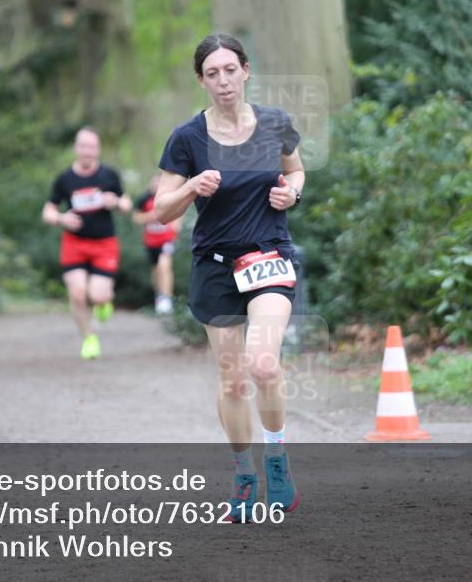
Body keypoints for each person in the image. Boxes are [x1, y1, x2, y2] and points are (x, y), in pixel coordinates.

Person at [154, 34, 305, 521]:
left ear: (246, 70)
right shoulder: (186, 139)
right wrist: (193, 187)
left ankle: (277, 460)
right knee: (234, 381)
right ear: (201, 80)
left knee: (262, 364)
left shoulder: (276, 124)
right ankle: (244, 474)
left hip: (268, 257)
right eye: (212, 73)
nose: (223, 81)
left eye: (230, 69)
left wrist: (292, 194)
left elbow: (295, 172)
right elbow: (160, 211)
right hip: (215, 264)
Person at [42, 127, 132, 360]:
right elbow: (48, 211)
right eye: (83, 146)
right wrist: (61, 218)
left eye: (92, 147)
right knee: (78, 294)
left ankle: (103, 303)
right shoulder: (65, 179)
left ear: (98, 149)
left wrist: (116, 202)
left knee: (98, 296)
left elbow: (127, 204)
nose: (87, 151)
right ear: (76, 148)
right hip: (74, 243)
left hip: (104, 243)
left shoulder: (109, 175)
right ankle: (89, 338)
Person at [132, 173, 182, 315]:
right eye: (154, 183)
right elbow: (136, 218)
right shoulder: (144, 199)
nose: (156, 186)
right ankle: (159, 296)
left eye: (159, 183)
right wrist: (151, 217)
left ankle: (167, 299)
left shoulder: (169, 197)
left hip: (167, 240)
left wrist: (176, 224)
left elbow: (179, 212)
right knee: (156, 270)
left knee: (164, 266)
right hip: (151, 241)